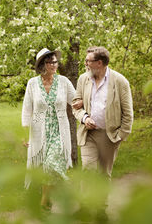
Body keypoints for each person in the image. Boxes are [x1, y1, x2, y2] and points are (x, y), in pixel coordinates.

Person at [21, 48, 77, 210]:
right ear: (42, 65)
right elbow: (27, 110)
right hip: (39, 132)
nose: (54, 65)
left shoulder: (64, 82)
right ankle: (49, 199)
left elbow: (75, 101)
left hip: (59, 131)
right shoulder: (32, 84)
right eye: (50, 62)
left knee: (52, 164)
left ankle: (44, 201)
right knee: (45, 168)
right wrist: (25, 134)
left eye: (55, 61)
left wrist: (85, 109)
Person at [72, 46, 134, 179]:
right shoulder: (84, 79)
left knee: (104, 174)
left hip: (109, 136)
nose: (85, 64)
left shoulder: (120, 81)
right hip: (88, 134)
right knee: (88, 170)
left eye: (88, 61)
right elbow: (76, 105)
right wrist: (85, 118)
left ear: (99, 63)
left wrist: (120, 136)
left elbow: (128, 113)